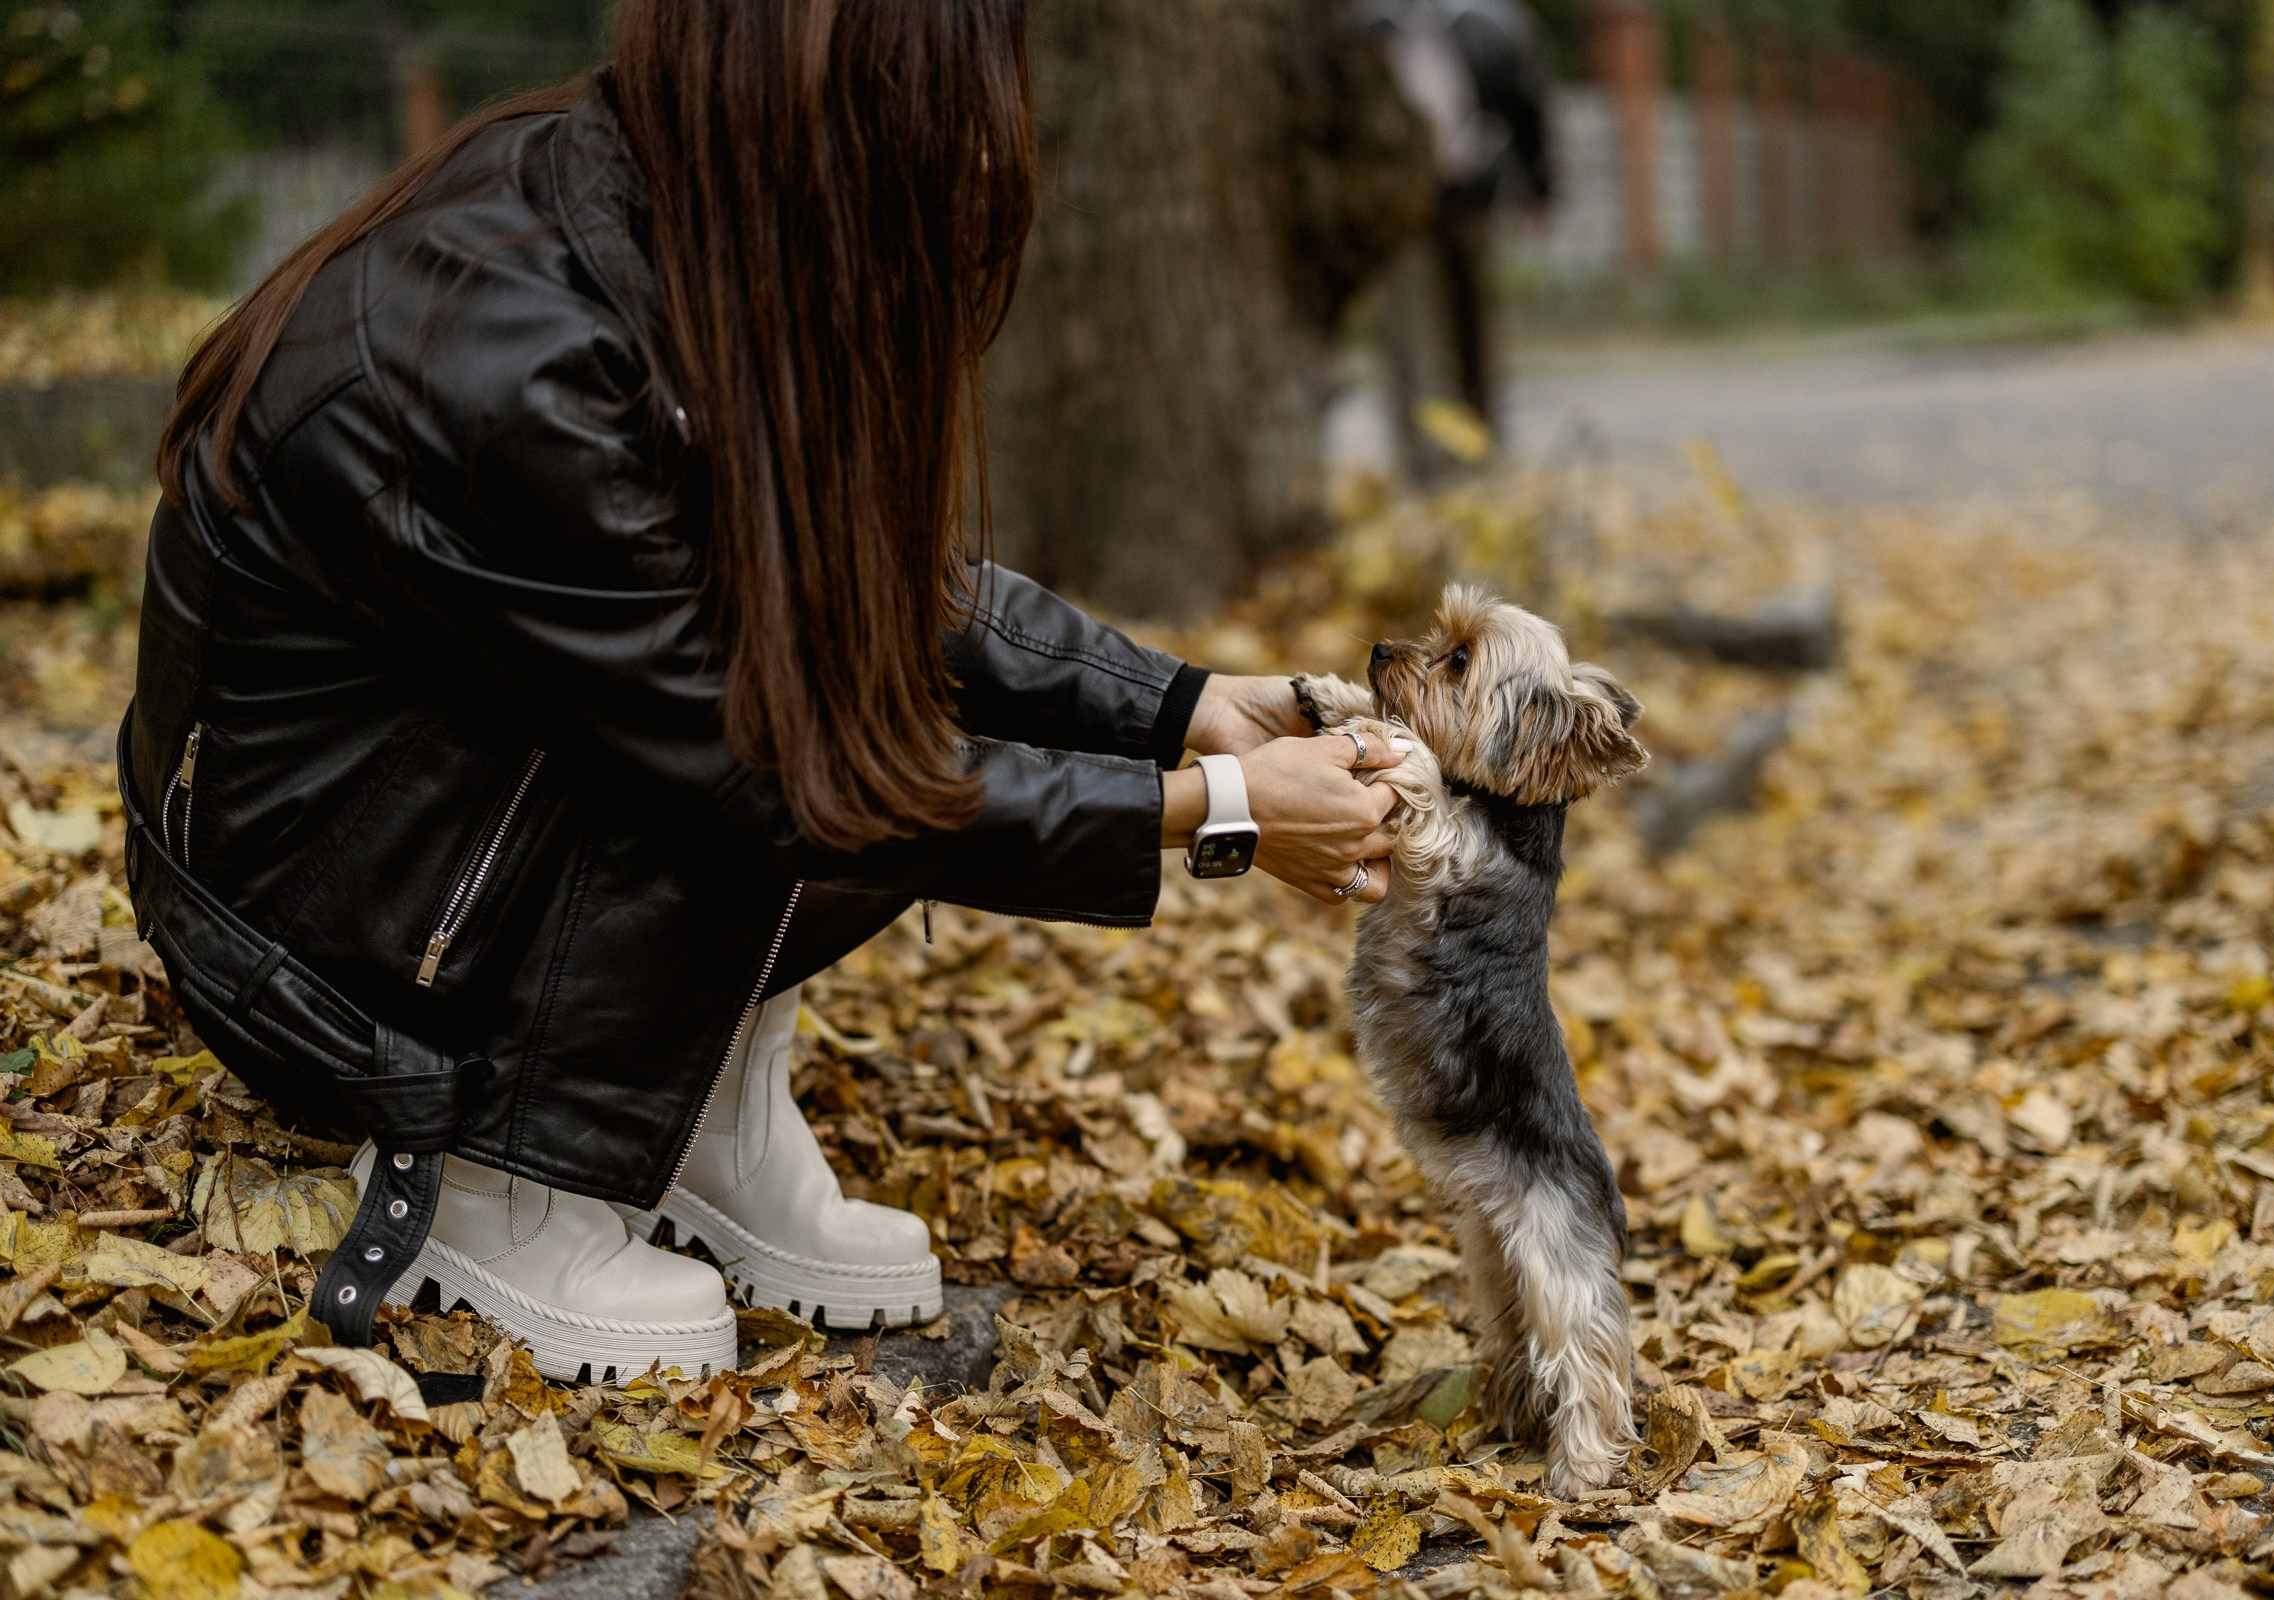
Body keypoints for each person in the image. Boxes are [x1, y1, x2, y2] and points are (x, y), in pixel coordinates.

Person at [126, 0, 1403, 1380]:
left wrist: (1181, 703)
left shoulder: (676, 221)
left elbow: (865, 580)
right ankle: (500, 1182)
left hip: (416, 841)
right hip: (317, 959)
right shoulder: (514, 345)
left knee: (836, 666)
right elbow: (749, 763)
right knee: (792, 730)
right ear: (841, 106)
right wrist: (1218, 807)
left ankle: (697, 1123)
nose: (977, 164)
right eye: (949, 122)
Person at [1363, 0, 1552, 480]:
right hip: (1398, 206)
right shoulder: (1371, 31)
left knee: (1475, 329)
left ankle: (1481, 452)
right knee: (1410, 334)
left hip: (1469, 198)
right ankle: (1422, 467)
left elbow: (1526, 109)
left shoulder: (1487, 27)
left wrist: (1538, 189)